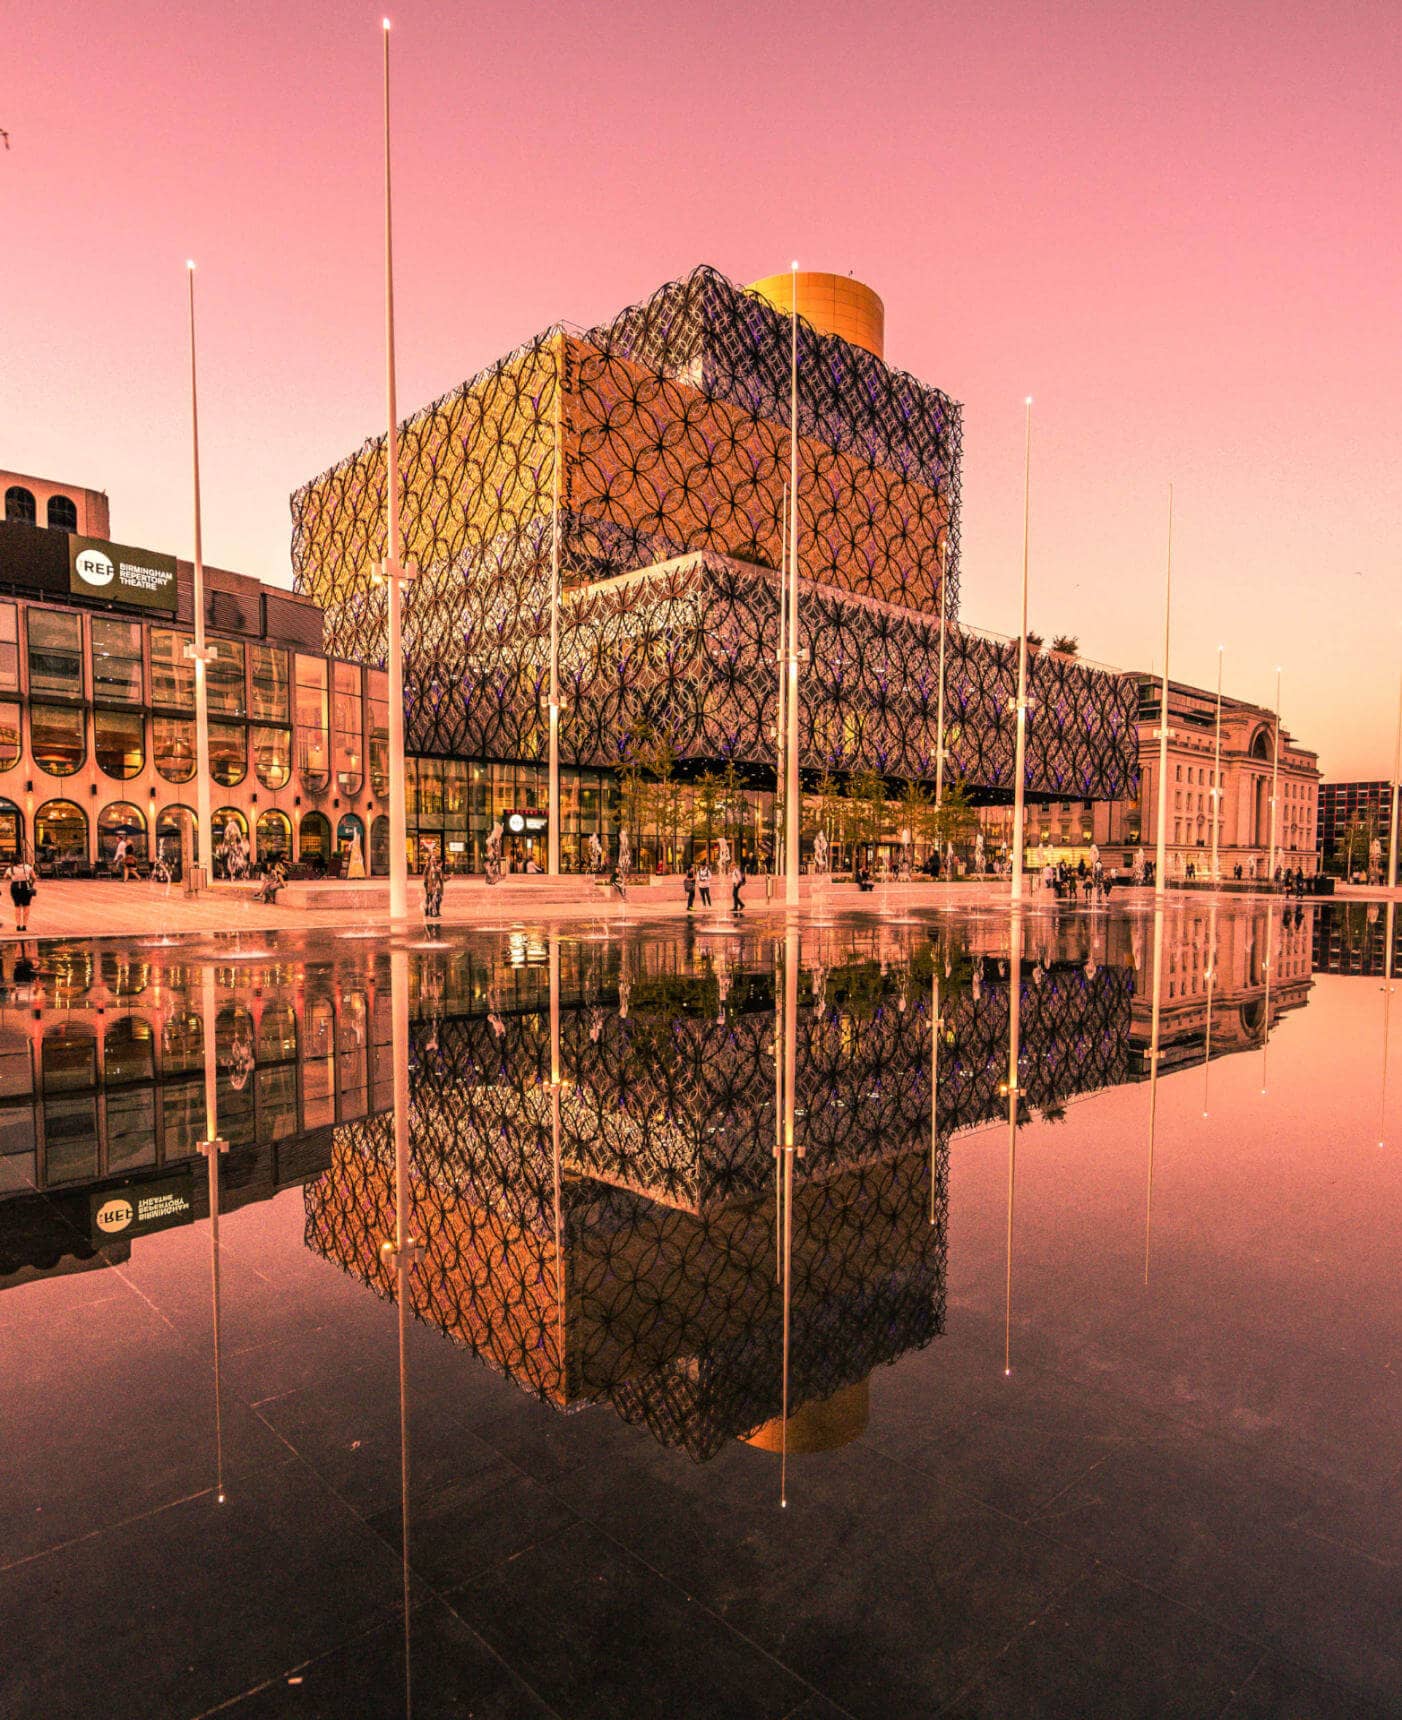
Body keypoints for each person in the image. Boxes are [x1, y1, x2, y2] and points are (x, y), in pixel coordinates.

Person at [8, 852, 37, 931]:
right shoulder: (27, 867)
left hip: (15, 887)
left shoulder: (11, 869)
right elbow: (34, 877)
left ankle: (18, 925)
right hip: (26, 886)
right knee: (26, 906)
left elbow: (5, 876)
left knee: (17, 906)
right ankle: (24, 925)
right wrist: (31, 884)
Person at [423, 848, 445, 923]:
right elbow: (425, 875)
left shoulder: (436, 868)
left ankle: (432, 912)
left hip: (435, 886)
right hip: (429, 886)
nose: (434, 860)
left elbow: (440, 877)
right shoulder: (428, 867)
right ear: (429, 860)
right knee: (430, 899)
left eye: (434, 859)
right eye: (432, 859)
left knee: (434, 899)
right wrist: (426, 884)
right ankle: (429, 912)